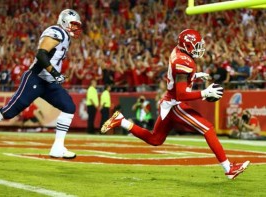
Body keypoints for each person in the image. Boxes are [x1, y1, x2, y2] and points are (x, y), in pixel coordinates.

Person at [101, 29, 250, 179]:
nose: (199, 49)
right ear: (187, 46)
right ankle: (228, 168)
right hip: (175, 104)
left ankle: (121, 121)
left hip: (169, 101)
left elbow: (177, 76)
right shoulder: (183, 61)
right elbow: (181, 94)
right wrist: (204, 93)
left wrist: (194, 76)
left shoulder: (178, 52)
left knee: (155, 139)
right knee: (208, 128)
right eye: (196, 45)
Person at [0, 9, 83, 159]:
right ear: (64, 21)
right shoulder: (56, 31)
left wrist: (54, 76)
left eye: (77, 25)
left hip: (49, 82)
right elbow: (41, 54)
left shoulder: (65, 37)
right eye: (73, 24)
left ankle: (57, 146)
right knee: (9, 112)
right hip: (36, 78)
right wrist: (56, 73)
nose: (75, 28)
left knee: (69, 107)